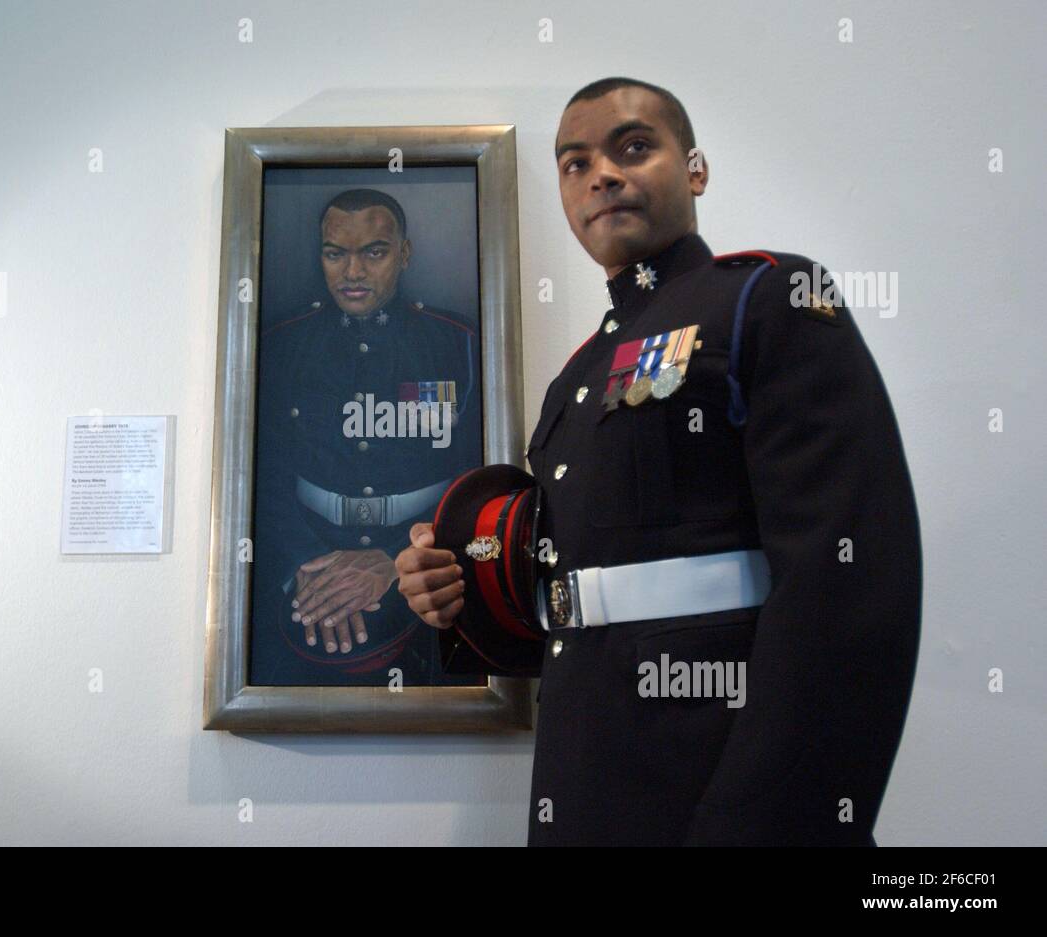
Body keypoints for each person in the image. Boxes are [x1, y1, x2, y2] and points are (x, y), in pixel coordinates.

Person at [396, 77, 922, 844]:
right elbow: (580, 590)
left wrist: (769, 825)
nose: (601, 174)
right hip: (584, 778)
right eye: (574, 165)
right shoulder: (573, 382)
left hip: (721, 786)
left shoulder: (768, 298)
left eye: (633, 147)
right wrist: (454, 583)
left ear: (696, 169)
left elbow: (848, 583)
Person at [251, 188, 482, 686]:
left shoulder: (458, 344)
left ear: (404, 254)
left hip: (427, 566)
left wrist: (398, 556)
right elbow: (260, 477)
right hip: (308, 570)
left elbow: (478, 481)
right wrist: (307, 568)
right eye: (336, 254)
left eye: (373, 252)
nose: (353, 273)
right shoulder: (278, 346)